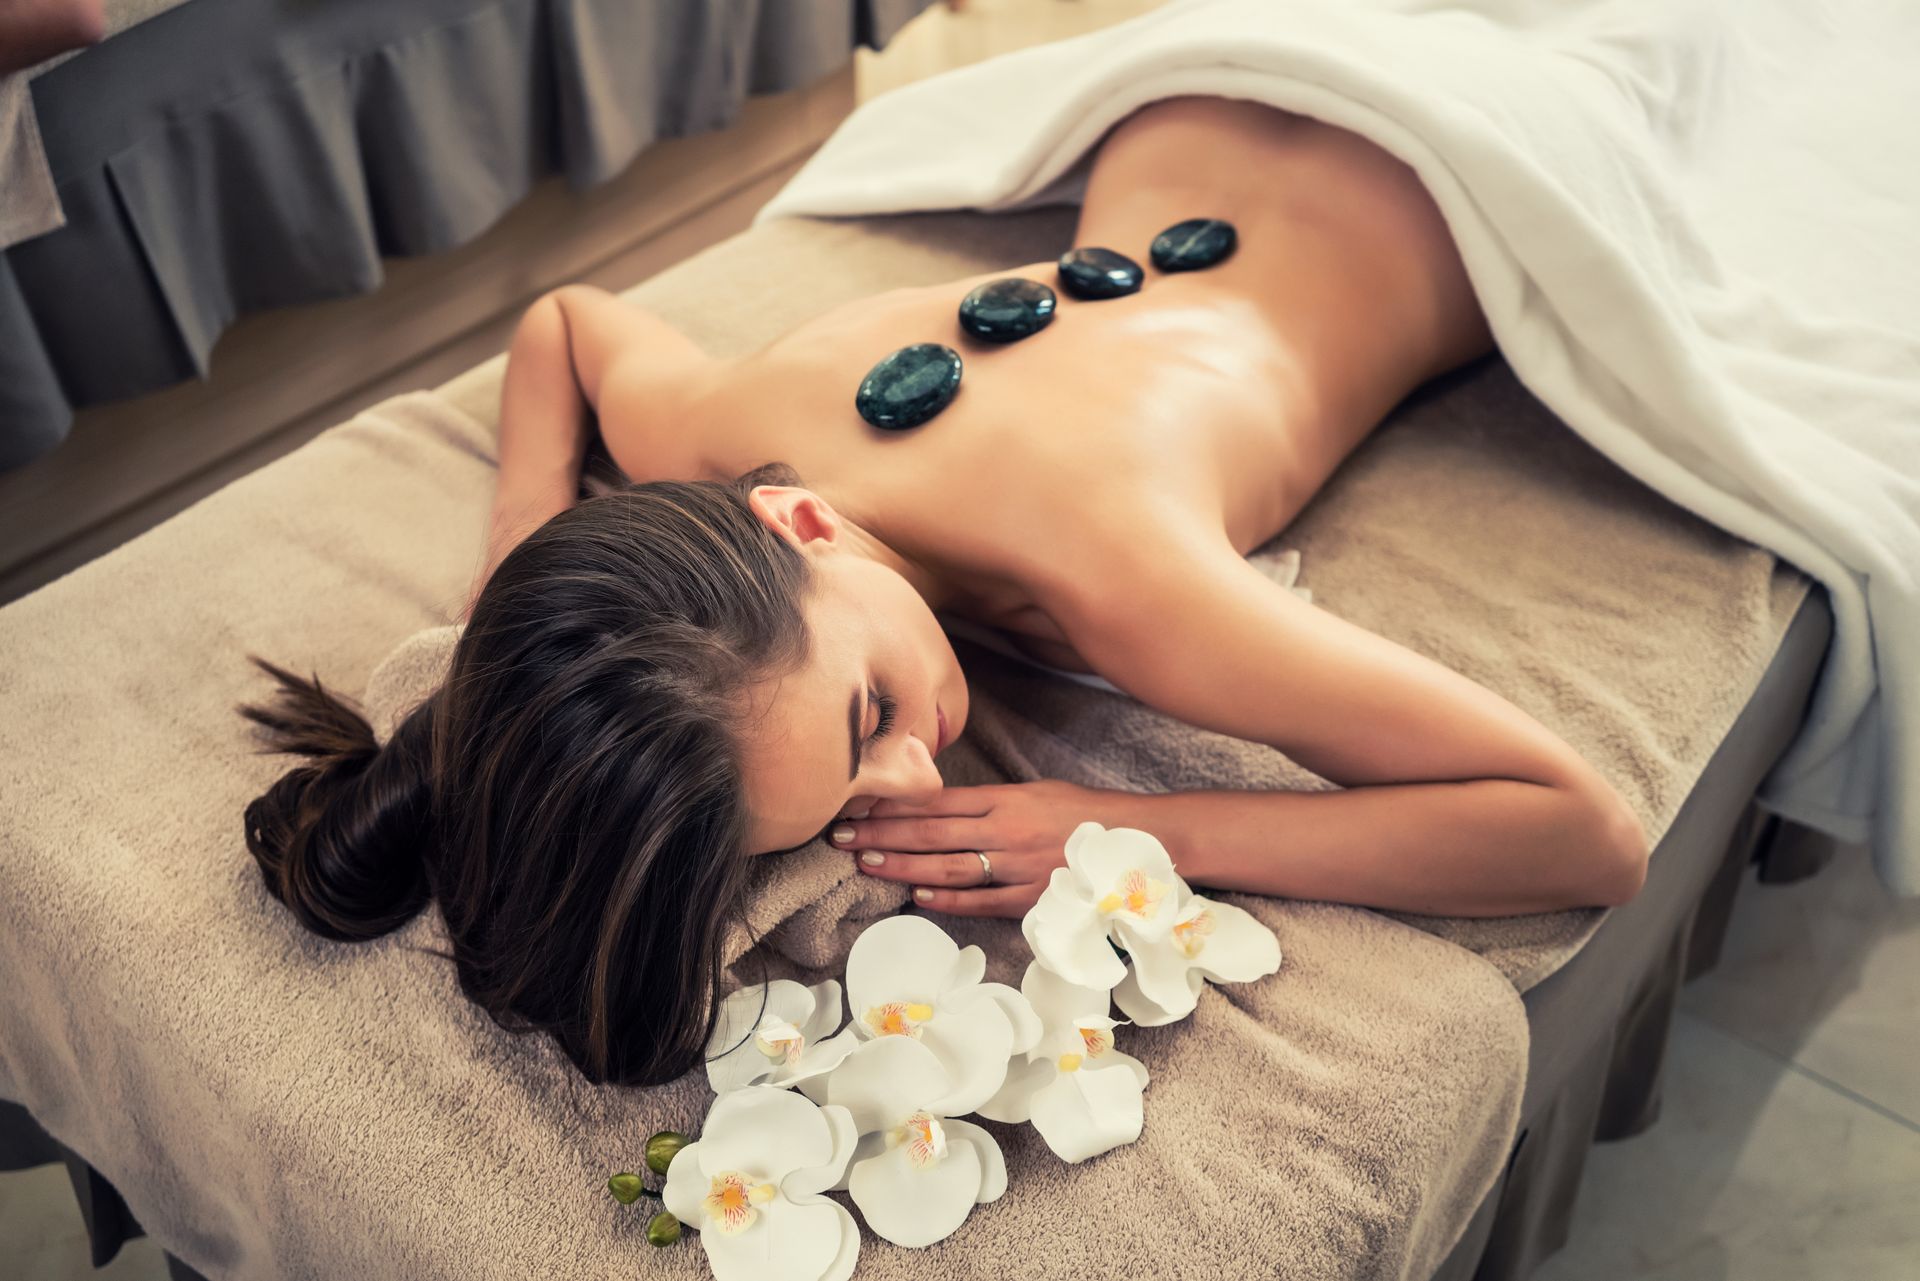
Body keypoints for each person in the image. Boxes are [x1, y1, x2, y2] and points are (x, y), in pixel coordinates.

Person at [237, 96, 1647, 1087]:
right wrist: (522, 558)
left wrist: (1129, 822)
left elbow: (1582, 832)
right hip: (1199, 104)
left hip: (1473, 158)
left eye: (868, 714)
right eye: (855, 798)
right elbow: (568, 326)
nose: (914, 770)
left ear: (795, 519)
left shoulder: (1121, 575)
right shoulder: (727, 450)